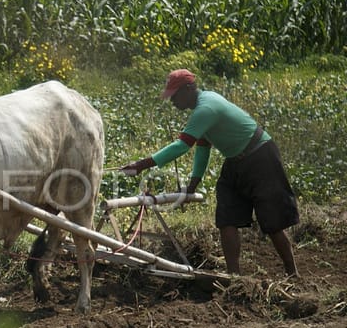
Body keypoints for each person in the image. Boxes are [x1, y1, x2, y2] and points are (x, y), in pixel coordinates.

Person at [121, 69, 300, 277]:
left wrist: (141, 165)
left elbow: (182, 146)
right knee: (226, 218)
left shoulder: (206, 108)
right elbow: (203, 148)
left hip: (260, 156)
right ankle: (234, 277)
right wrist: (192, 186)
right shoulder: (202, 108)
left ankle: (292, 272)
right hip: (235, 160)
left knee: (272, 221)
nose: (172, 101)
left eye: (174, 95)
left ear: (188, 89)